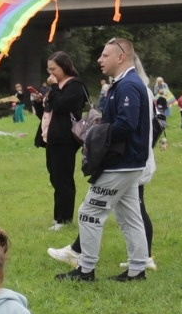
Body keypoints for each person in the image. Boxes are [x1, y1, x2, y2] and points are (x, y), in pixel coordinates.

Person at [56, 37, 150, 282]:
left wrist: (94, 134)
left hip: (121, 162)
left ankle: (85, 270)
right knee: (130, 216)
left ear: (121, 57)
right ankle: (137, 269)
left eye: (105, 55)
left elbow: (126, 125)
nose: (99, 59)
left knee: (89, 212)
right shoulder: (124, 83)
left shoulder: (128, 85)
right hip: (129, 162)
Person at [41, 51, 88, 231]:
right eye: (48, 69)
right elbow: (49, 111)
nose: (50, 73)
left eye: (54, 69)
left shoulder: (75, 85)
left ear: (64, 67)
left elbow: (61, 105)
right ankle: (58, 216)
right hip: (52, 137)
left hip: (66, 138)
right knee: (55, 177)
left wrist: (53, 89)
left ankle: (65, 219)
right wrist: (41, 101)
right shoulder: (58, 85)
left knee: (63, 178)